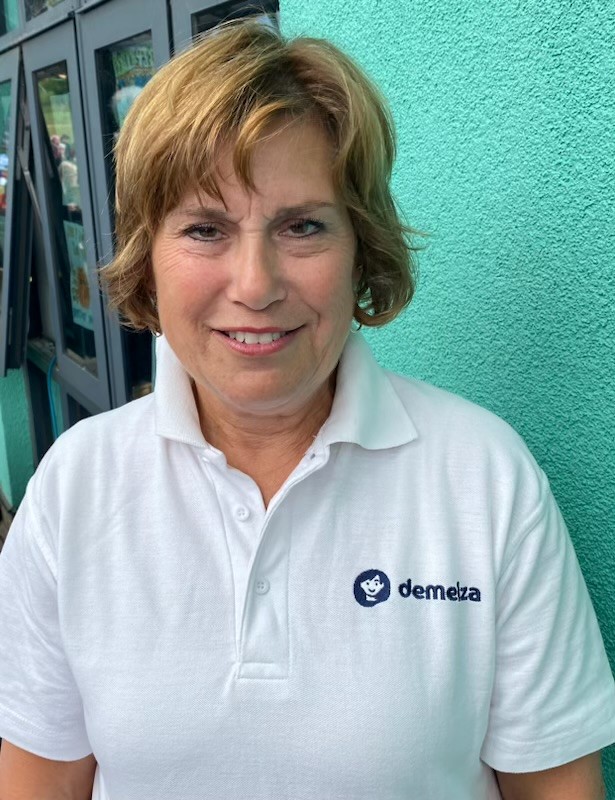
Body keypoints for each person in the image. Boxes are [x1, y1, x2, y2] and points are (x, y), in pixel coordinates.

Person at [0, 20, 613, 800]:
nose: (254, 284)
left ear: (362, 248)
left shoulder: (484, 479)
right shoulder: (74, 489)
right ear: (147, 256)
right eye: (204, 228)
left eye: (302, 226)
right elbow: (39, 785)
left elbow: (556, 788)